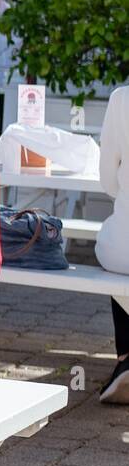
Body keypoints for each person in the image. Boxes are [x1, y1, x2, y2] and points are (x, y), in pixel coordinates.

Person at [95, 84, 129, 404]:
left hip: (124, 249)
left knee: (112, 247)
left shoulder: (122, 99)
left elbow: (107, 182)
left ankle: (125, 357)